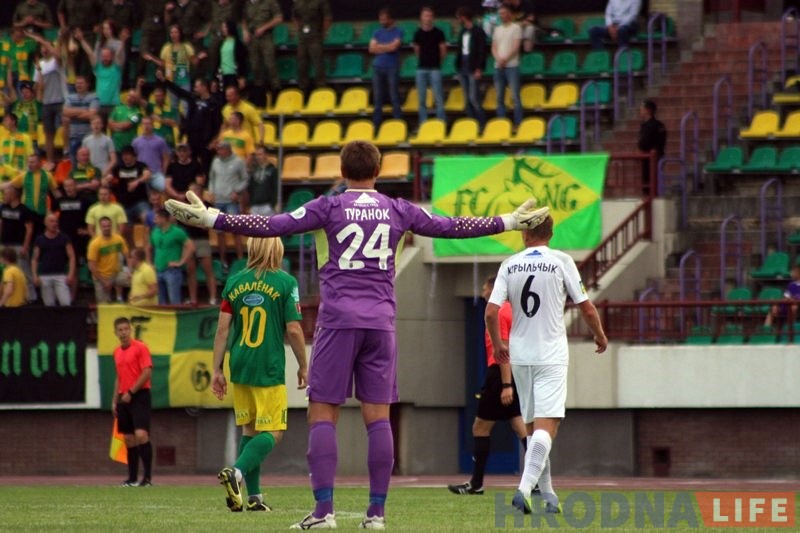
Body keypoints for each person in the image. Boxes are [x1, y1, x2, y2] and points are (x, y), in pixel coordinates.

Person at [164, 140, 548, 529]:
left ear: (342, 171)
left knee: (322, 415)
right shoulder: (398, 209)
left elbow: (273, 224)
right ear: (378, 171)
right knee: (378, 418)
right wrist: (509, 222)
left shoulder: (328, 206)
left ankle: (323, 512)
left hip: (338, 321)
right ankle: (376, 514)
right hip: (381, 323)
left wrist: (212, 219)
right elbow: (450, 227)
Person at [485, 215, 607, 515]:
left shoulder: (509, 264)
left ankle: (549, 496)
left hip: (521, 356)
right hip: (550, 354)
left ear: (525, 235)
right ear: (550, 233)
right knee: (547, 427)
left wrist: (499, 344)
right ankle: (525, 489)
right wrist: (600, 336)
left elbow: (490, 312)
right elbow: (587, 308)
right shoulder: (561, 260)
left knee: (533, 429)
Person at [213, 235, 308, 512]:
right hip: (268, 366)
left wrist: (216, 369)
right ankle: (237, 473)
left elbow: (222, 330)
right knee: (274, 431)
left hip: (240, 365)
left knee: (250, 430)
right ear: (276, 250)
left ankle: (254, 498)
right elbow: (293, 329)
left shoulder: (234, 282)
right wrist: (303, 365)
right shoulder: (286, 282)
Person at [448, 275, 527, 496]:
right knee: (519, 425)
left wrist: (505, 384)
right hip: (515, 373)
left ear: (494, 289)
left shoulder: (499, 312)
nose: (483, 292)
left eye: (485, 288)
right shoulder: (515, 310)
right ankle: (538, 478)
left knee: (480, 428)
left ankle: (477, 483)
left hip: (500, 374)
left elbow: (503, 351)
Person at [111, 316, 154, 487]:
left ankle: (148, 478)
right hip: (123, 397)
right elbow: (119, 377)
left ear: (131, 330)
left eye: (126, 329)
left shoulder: (140, 348)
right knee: (128, 438)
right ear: (116, 332)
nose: (123, 333)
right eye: (120, 330)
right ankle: (132, 478)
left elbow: (146, 372)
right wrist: (115, 401)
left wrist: (131, 391)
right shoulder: (117, 352)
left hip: (139, 395)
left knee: (141, 435)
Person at [158, 73, 222, 173]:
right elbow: (180, 92)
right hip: (192, 137)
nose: (195, 89)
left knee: (206, 165)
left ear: (204, 87)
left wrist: (213, 140)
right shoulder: (193, 98)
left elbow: (217, 123)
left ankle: (204, 186)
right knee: (191, 163)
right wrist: (165, 81)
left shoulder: (213, 103)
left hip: (205, 139)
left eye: (197, 86)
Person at [29, 30, 66, 165]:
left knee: (65, 129)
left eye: (46, 47)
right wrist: (38, 72)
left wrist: (42, 39)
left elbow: (57, 54)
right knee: (48, 134)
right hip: (46, 103)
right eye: (42, 48)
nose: (44, 50)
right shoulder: (39, 65)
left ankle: (65, 157)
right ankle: (50, 160)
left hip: (60, 101)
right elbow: (36, 86)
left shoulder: (56, 62)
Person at [208, 141, 247, 263]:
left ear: (228, 150)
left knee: (235, 231)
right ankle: (223, 261)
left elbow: (245, 179)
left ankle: (240, 259)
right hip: (218, 201)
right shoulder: (215, 161)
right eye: (218, 149)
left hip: (231, 201)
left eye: (221, 149)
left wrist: (237, 191)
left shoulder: (238, 161)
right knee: (220, 233)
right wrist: (211, 192)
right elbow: (212, 178)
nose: (219, 152)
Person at [242, 0, 283, 107]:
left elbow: (278, 18)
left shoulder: (270, 2)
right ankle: (260, 95)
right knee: (255, 66)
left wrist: (264, 27)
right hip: (253, 38)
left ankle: (276, 91)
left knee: (270, 65)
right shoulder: (248, 3)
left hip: (266, 37)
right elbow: (244, 19)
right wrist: (245, 31)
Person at [148, 208, 193, 304]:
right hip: (158, 270)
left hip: (172, 271)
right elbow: (149, 247)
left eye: (156, 218)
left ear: (163, 218)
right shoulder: (155, 232)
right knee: (160, 301)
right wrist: (149, 263)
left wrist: (181, 262)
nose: (154, 220)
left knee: (174, 300)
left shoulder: (177, 232)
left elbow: (190, 246)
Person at [369, 8, 403, 128]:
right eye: (380, 19)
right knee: (377, 98)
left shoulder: (398, 31)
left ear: (391, 19)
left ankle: (398, 123)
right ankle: (377, 126)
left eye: (384, 19)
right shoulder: (377, 32)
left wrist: (379, 47)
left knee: (394, 96)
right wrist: (386, 47)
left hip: (392, 67)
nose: (382, 21)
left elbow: (394, 47)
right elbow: (371, 49)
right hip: (377, 67)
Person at [31, 213, 76, 306]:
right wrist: (35, 275)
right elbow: (35, 259)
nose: (54, 224)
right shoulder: (39, 239)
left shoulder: (64, 238)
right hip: (45, 276)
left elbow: (72, 256)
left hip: (61, 275)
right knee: (49, 304)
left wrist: (71, 274)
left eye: (56, 221)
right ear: (45, 223)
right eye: (51, 221)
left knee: (66, 303)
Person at [413, 7, 447, 124]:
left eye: (429, 15)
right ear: (421, 18)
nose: (427, 18)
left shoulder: (439, 32)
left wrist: (437, 62)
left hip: (435, 69)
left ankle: (441, 123)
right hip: (421, 69)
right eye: (425, 15)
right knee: (421, 99)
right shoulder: (418, 33)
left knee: (438, 98)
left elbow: (443, 50)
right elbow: (417, 50)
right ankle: (423, 123)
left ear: (433, 17)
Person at [455, 6, 488, 127]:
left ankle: (481, 124)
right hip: (463, 66)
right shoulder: (463, 31)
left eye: (459, 17)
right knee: (467, 99)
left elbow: (481, 50)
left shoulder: (478, 31)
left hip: (473, 67)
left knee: (474, 98)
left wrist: (479, 68)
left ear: (463, 17)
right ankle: (471, 124)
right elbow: (460, 50)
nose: (458, 20)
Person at [492, 5, 523, 127]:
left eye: (504, 13)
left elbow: (516, 47)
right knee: (499, 97)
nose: (501, 15)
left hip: (512, 66)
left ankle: (518, 123)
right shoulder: (497, 29)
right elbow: (494, 47)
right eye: (500, 13)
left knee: (515, 96)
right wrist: (498, 59)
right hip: (498, 66)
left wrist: (505, 59)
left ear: (509, 14)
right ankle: (501, 123)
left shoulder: (516, 28)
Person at [105, 146, 152, 226]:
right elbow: (109, 179)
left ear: (134, 156)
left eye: (127, 155)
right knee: (124, 226)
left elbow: (147, 175)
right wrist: (108, 179)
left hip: (140, 202)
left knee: (147, 218)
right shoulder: (118, 168)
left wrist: (137, 182)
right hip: (123, 203)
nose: (125, 157)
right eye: (123, 155)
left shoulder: (140, 165)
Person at [293, 0, 332, 95]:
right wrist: (299, 29)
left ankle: (321, 89)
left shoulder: (320, 1)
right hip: (302, 37)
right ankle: (303, 90)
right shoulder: (297, 2)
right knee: (302, 64)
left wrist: (321, 33)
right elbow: (295, 17)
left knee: (318, 63)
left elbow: (327, 18)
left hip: (315, 36)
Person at [87, 215, 129, 303]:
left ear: (112, 226)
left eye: (108, 226)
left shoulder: (118, 239)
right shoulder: (95, 243)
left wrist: (131, 272)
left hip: (116, 274)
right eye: (104, 226)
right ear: (100, 227)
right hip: (101, 276)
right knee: (103, 305)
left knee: (136, 280)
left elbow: (127, 256)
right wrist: (103, 281)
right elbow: (92, 266)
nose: (107, 228)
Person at [62, 75, 100, 163]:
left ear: (87, 84)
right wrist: (84, 110)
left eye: (81, 83)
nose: (78, 85)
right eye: (77, 83)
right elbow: (65, 112)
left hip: (89, 136)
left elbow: (92, 114)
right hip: (73, 137)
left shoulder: (94, 97)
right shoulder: (70, 97)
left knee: (90, 164)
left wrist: (73, 114)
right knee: (74, 164)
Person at [132, 117, 171, 192]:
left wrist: (163, 172)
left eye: (148, 124)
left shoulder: (160, 141)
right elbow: (134, 158)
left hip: (156, 174)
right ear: (141, 126)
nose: (146, 126)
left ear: (153, 125)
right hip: (141, 174)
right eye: (144, 124)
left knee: (166, 189)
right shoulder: (136, 141)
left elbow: (166, 158)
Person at [637, 99, 667, 195]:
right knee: (646, 181)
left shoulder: (657, 125)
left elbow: (660, 142)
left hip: (654, 158)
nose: (640, 112)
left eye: (642, 109)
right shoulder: (644, 125)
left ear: (648, 110)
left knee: (653, 180)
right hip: (645, 158)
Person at [108, 89, 143, 156]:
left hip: (128, 148)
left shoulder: (137, 113)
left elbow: (127, 126)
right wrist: (120, 126)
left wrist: (115, 126)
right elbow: (109, 124)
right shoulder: (117, 108)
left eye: (133, 97)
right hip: (115, 147)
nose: (130, 98)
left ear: (135, 100)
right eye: (129, 95)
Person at [247, 145, 278, 216]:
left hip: (268, 206)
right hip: (254, 206)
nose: (258, 157)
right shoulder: (253, 170)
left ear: (266, 155)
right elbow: (250, 188)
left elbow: (276, 188)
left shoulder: (273, 170)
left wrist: (273, 204)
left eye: (260, 154)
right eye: (256, 155)